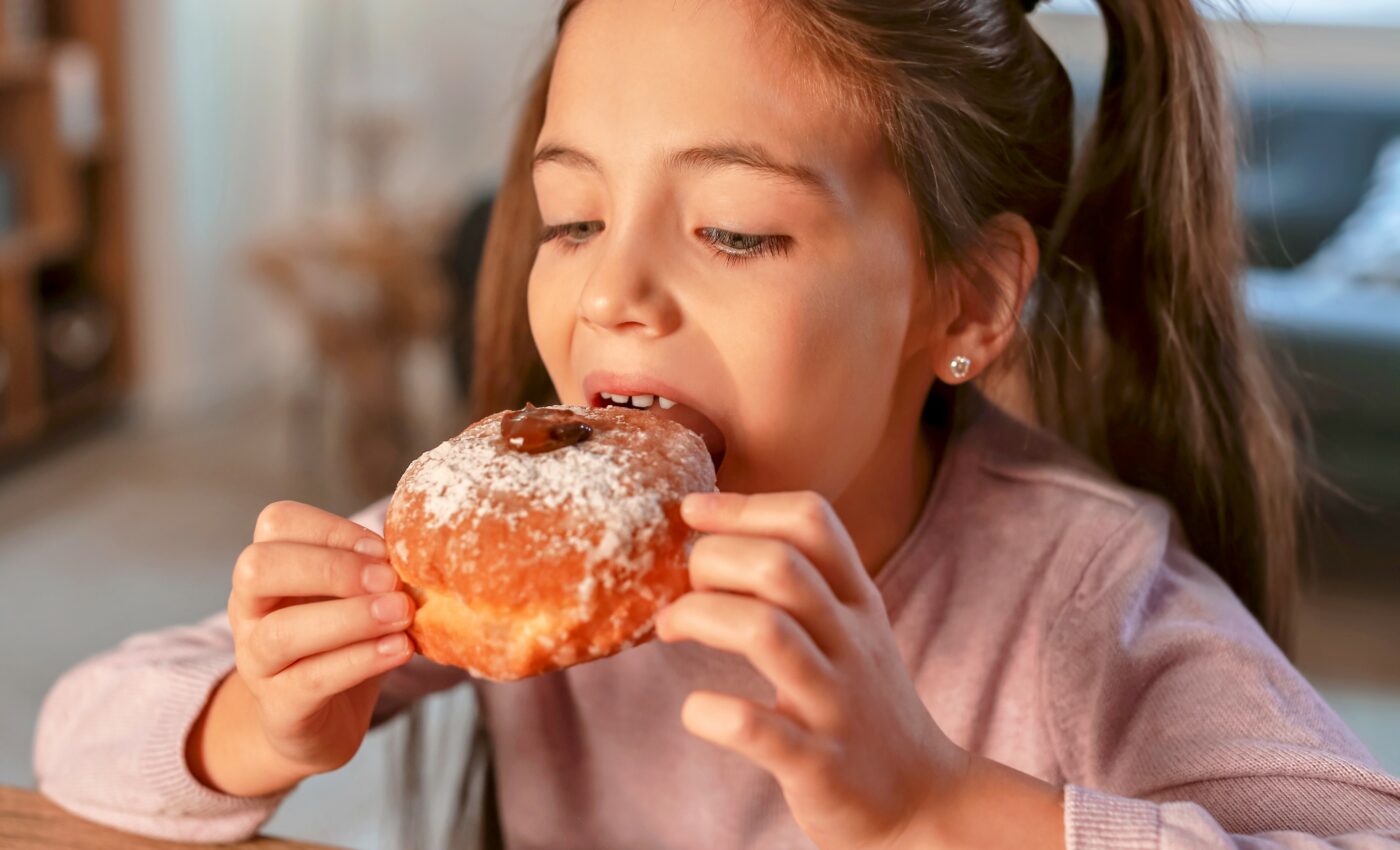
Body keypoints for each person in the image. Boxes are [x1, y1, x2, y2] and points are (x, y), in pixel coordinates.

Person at [33, 0, 1400, 847]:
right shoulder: (533, 553)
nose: (612, 290)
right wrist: (257, 719)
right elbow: (75, 738)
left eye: (733, 229)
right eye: (572, 216)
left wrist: (937, 808)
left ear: (965, 300)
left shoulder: (1082, 594)